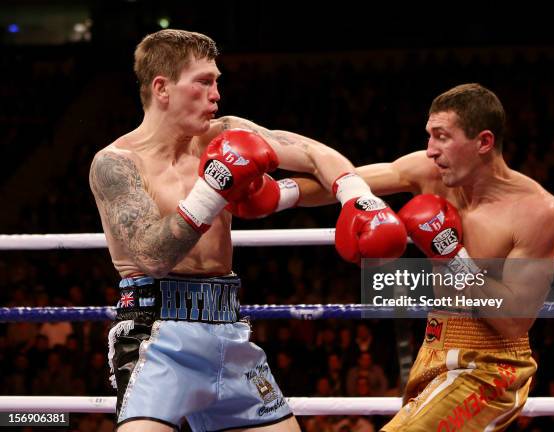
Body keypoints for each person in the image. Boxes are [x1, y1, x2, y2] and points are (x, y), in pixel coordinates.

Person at [88, 29, 407, 432]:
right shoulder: (115, 163)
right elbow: (152, 255)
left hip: (228, 330)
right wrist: (213, 188)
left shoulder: (224, 134)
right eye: (204, 82)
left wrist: (357, 197)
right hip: (156, 334)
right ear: (162, 88)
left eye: (216, 81)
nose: (216, 94)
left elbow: (313, 154)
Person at [295, 83, 554, 431]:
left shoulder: (538, 211)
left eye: (442, 137)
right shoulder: (430, 174)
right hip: (434, 348)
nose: (431, 151)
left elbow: (515, 321)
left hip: (492, 366)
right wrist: (277, 194)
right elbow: (345, 182)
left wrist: (452, 255)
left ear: (484, 142)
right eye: (429, 136)